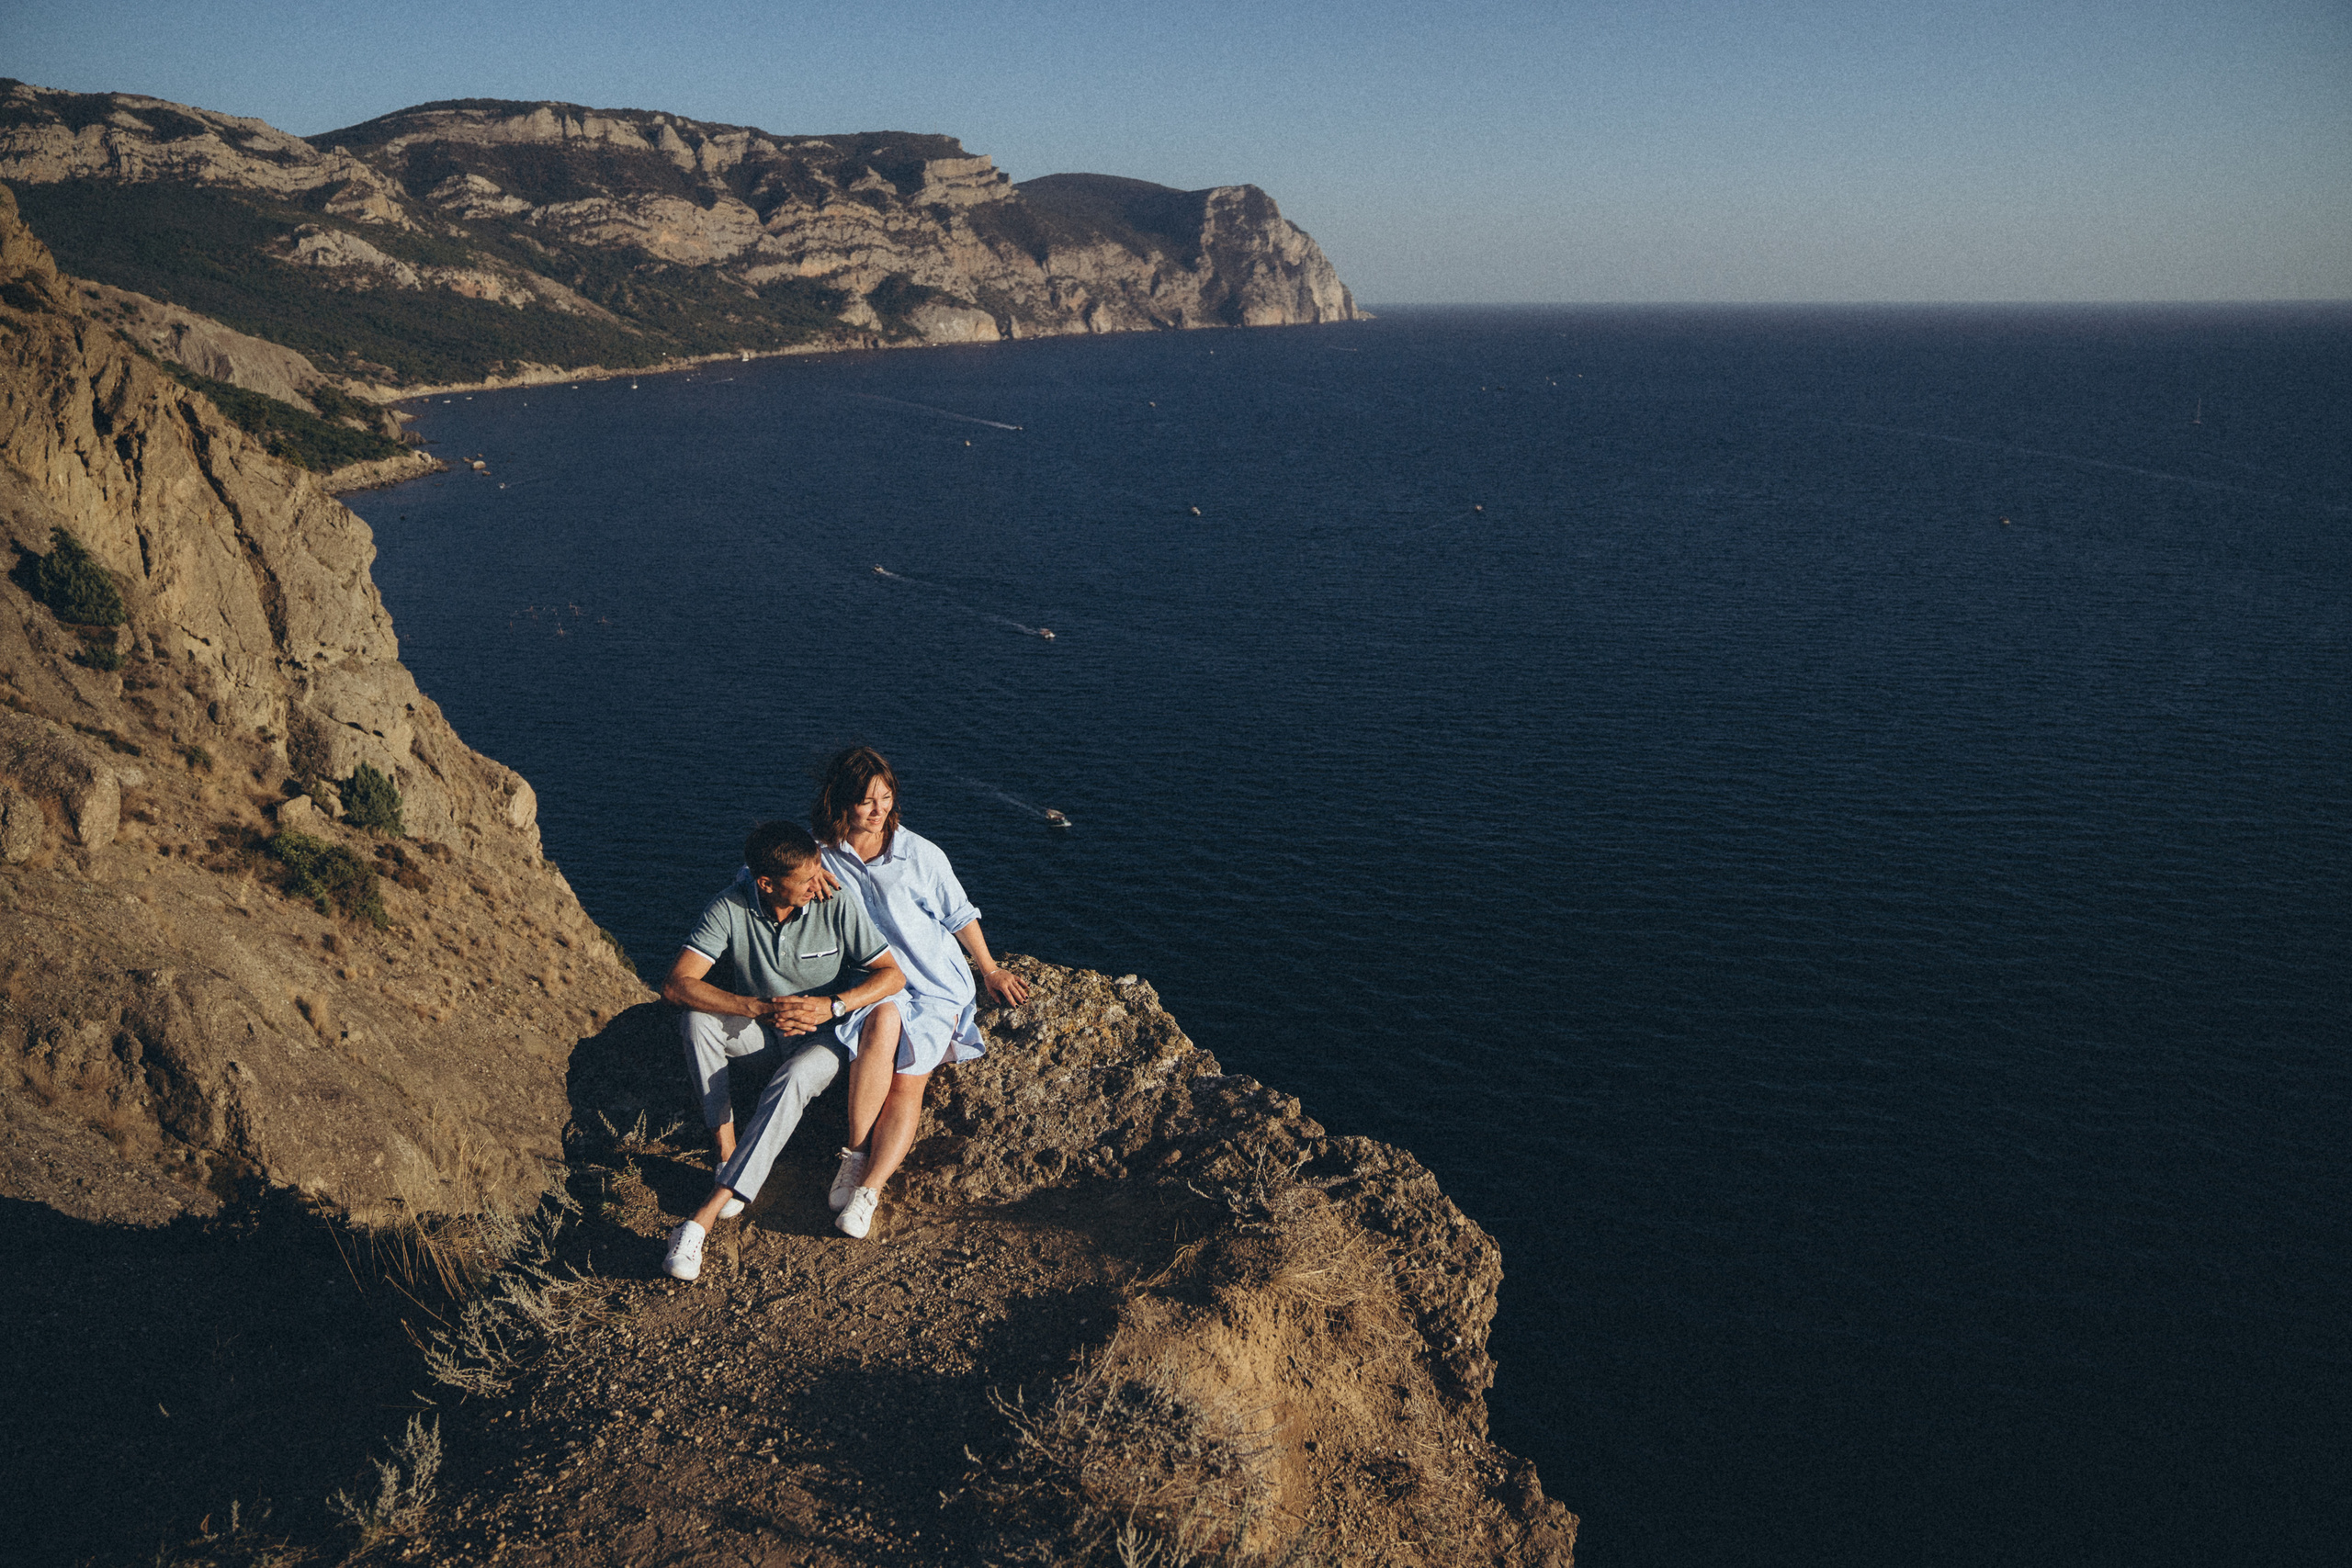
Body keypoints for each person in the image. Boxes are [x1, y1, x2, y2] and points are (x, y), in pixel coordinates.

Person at [661, 819, 905, 1282]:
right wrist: (753, 1006)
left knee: (793, 1080)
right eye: (808, 878)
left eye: (819, 870)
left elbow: (891, 975)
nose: (821, 882)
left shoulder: (834, 902)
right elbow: (676, 985)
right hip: (761, 1031)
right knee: (696, 1021)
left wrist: (830, 1006)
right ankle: (726, 1152)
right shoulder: (729, 908)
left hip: (821, 1039)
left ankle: (702, 1217)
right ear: (766, 884)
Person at [813, 746, 1028, 1242]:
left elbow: (959, 914)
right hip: (876, 982)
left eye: (885, 798)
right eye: (866, 800)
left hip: (932, 983)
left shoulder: (919, 854)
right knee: (880, 1024)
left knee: (909, 1078)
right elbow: (761, 875)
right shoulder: (819, 854)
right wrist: (805, 876)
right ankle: (854, 1156)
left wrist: (990, 971)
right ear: (839, 801)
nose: (877, 810)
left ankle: (869, 1190)